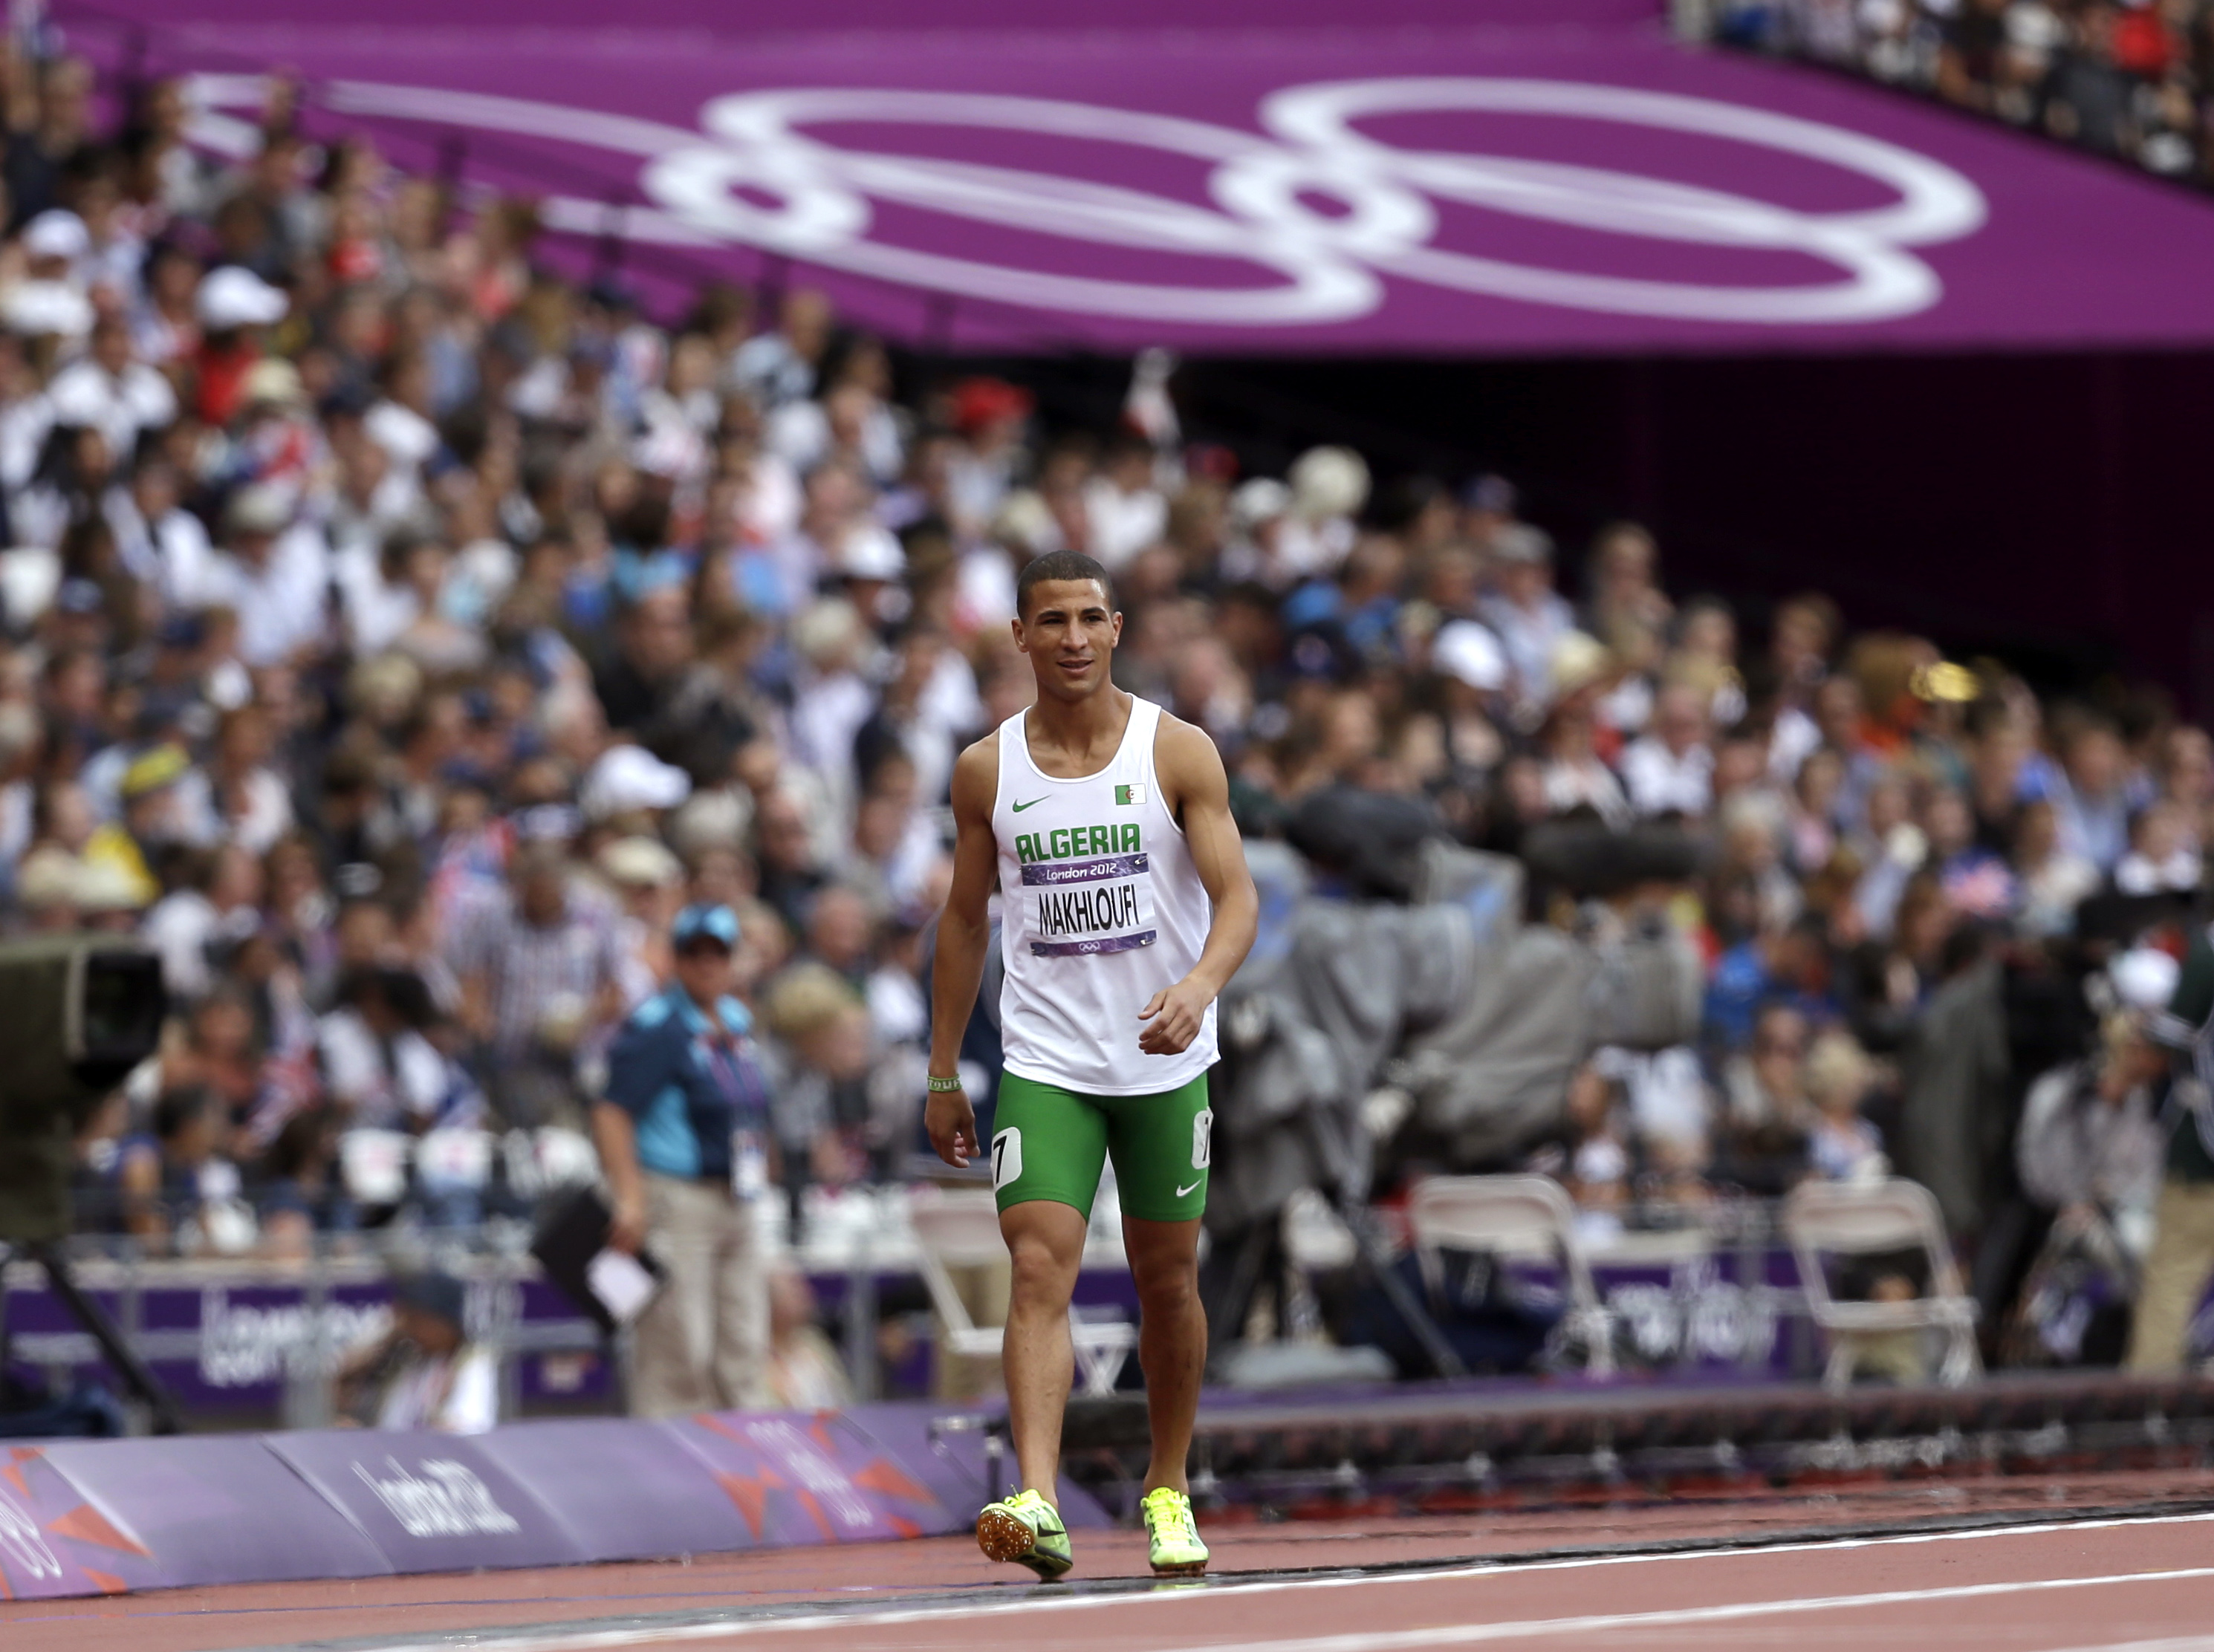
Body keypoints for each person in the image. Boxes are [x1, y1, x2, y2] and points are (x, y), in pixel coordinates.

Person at [926, 548, 1258, 1580]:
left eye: (1090, 619)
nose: (1072, 638)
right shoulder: (988, 770)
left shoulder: (1178, 752)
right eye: (1052, 621)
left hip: (1163, 1061)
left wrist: (1198, 987)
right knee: (1036, 1268)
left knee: (1168, 1281)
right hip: (1047, 1061)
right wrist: (943, 1071)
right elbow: (963, 922)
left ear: (1117, 630)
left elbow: (1239, 899)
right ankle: (1038, 1496)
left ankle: (1167, 1486)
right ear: (1019, 637)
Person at [593, 901, 777, 1416]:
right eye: (693, 953)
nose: (706, 964)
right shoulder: (659, 1026)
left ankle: (745, 1459)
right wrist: (629, 1198)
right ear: (676, 960)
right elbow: (612, 1111)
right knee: (680, 1345)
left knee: (743, 1339)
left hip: (736, 1195)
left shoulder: (736, 1021)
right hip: (676, 1197)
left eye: (717, 953)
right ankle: (673, 1465)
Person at [336, 1269, 499, 1434]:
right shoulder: (406, 1357)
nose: (409, 1328)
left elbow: (464, 1429)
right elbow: (343, 1385)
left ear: (444, 1323)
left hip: (435, 1455)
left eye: (417, 1320)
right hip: (391, 1452)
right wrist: (386, 1338)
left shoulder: (471, 1362)